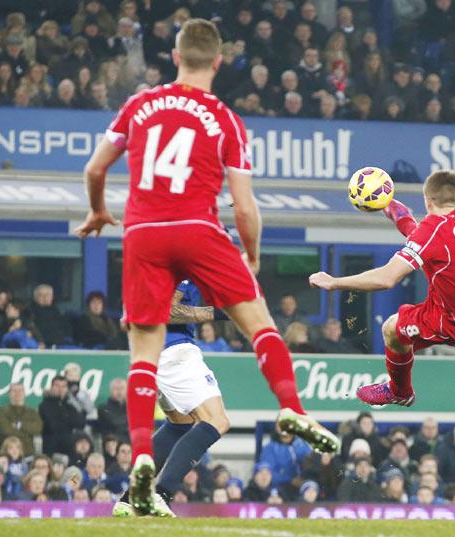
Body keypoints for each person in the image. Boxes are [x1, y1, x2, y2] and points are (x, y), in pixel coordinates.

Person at [76, 20, 337, 515]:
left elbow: (94, 169)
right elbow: (243, 208)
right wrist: (252, 256)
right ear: (218, 62)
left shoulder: (140, 104)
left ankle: (141, 460)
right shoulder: (225, 119)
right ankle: (293, 408)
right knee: (260, 325)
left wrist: (96, 209)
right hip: (198, 228)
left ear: (175, 57)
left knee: (142, 359)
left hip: (144, 233)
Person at [309, 171, 455, 406]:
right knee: (433, 251)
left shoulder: (432, 232)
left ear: (428, 201)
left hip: (454, 317)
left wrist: (334, 282)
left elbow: (386, 279)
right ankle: (389, 207)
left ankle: (400, 391)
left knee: (392, 329)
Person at [112, 280, 228, 516]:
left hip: (149, 352)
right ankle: (161, 494)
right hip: (174, 351)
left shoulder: (153, 257)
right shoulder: (181, 258)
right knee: (217, 421)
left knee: (180, 424)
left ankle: (131, 497)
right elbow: (164, 310)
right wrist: (218, 313)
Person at [38, 375, 86, 457]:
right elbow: (53, 426)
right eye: (57, 386)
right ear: (51, 387)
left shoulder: (70, 405)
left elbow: (81, 423)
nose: (60, 389)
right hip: (51, 451)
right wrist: (68, 419)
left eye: (63, 386)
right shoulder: (44, 405)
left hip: (69, 450)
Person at [0, 383, 43, 456]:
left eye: (20, 390)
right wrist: (26, 433)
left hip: (28, 453)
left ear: (24, 393)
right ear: (9, 394)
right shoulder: (2, 411)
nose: (17, 393)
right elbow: (6, 430)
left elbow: (38, 428)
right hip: (7, 455)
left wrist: (19, 425)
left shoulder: (32, 412)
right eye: (14, 391)